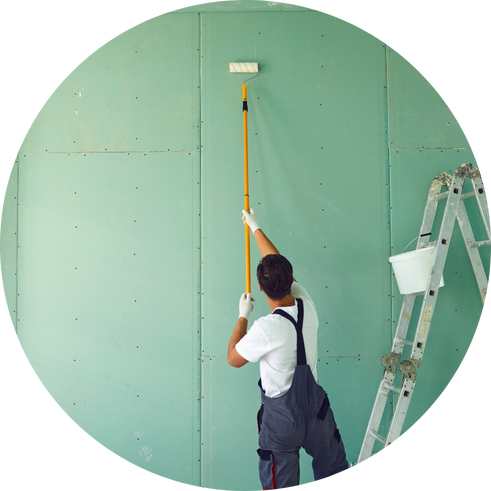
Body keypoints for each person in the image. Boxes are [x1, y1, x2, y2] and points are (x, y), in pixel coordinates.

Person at [227, 208, 349, 491]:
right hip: (317, 417)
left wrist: (242, 315)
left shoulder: (265, 328)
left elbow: (233, 358)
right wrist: (256, 228)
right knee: (334, 471)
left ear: (260, 288)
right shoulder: (307, 304)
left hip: (282, 425)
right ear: (291, 279)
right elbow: (280, 266)